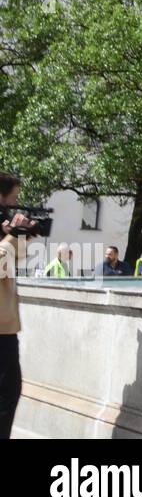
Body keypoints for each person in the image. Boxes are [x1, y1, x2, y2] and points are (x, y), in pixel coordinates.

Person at [1, 171, 31, 439]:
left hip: (6, 328)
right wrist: (14, 236)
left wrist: (22, 235)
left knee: (10, 390)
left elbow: (11, 262)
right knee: (7, 392)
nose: (13, 207)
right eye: (12, 200)